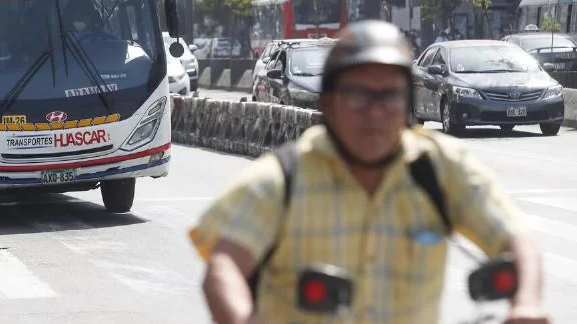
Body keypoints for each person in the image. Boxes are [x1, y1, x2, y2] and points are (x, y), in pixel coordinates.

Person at [188, 20, 549, 324]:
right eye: (359, 95)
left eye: (389, 96)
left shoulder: (439, 167)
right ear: (328, 103)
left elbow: (517, 240)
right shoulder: (286, 177)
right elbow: (224, 268)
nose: (375, 112)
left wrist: (527, 303)